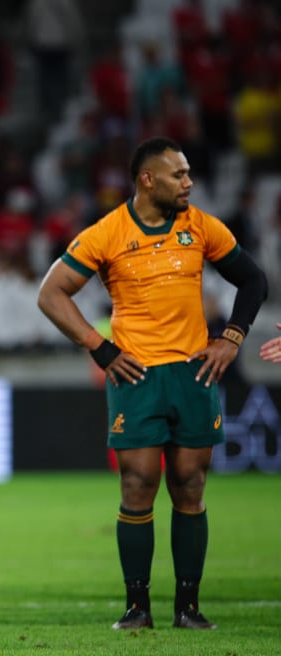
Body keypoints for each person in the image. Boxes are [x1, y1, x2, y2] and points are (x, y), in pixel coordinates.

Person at [37, 137, 268, 630]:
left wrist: (231, 337)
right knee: (138, 484)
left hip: (192, 372)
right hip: (136, 375)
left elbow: (253, 281)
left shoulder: (200, 226)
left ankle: (187, 608)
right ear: (148, 180)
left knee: (190, 485)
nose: (189, 182)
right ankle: (137, 607)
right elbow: (51, 293)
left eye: (188, 174)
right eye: (178, 175)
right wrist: (99, 348)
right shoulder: (107, 233)